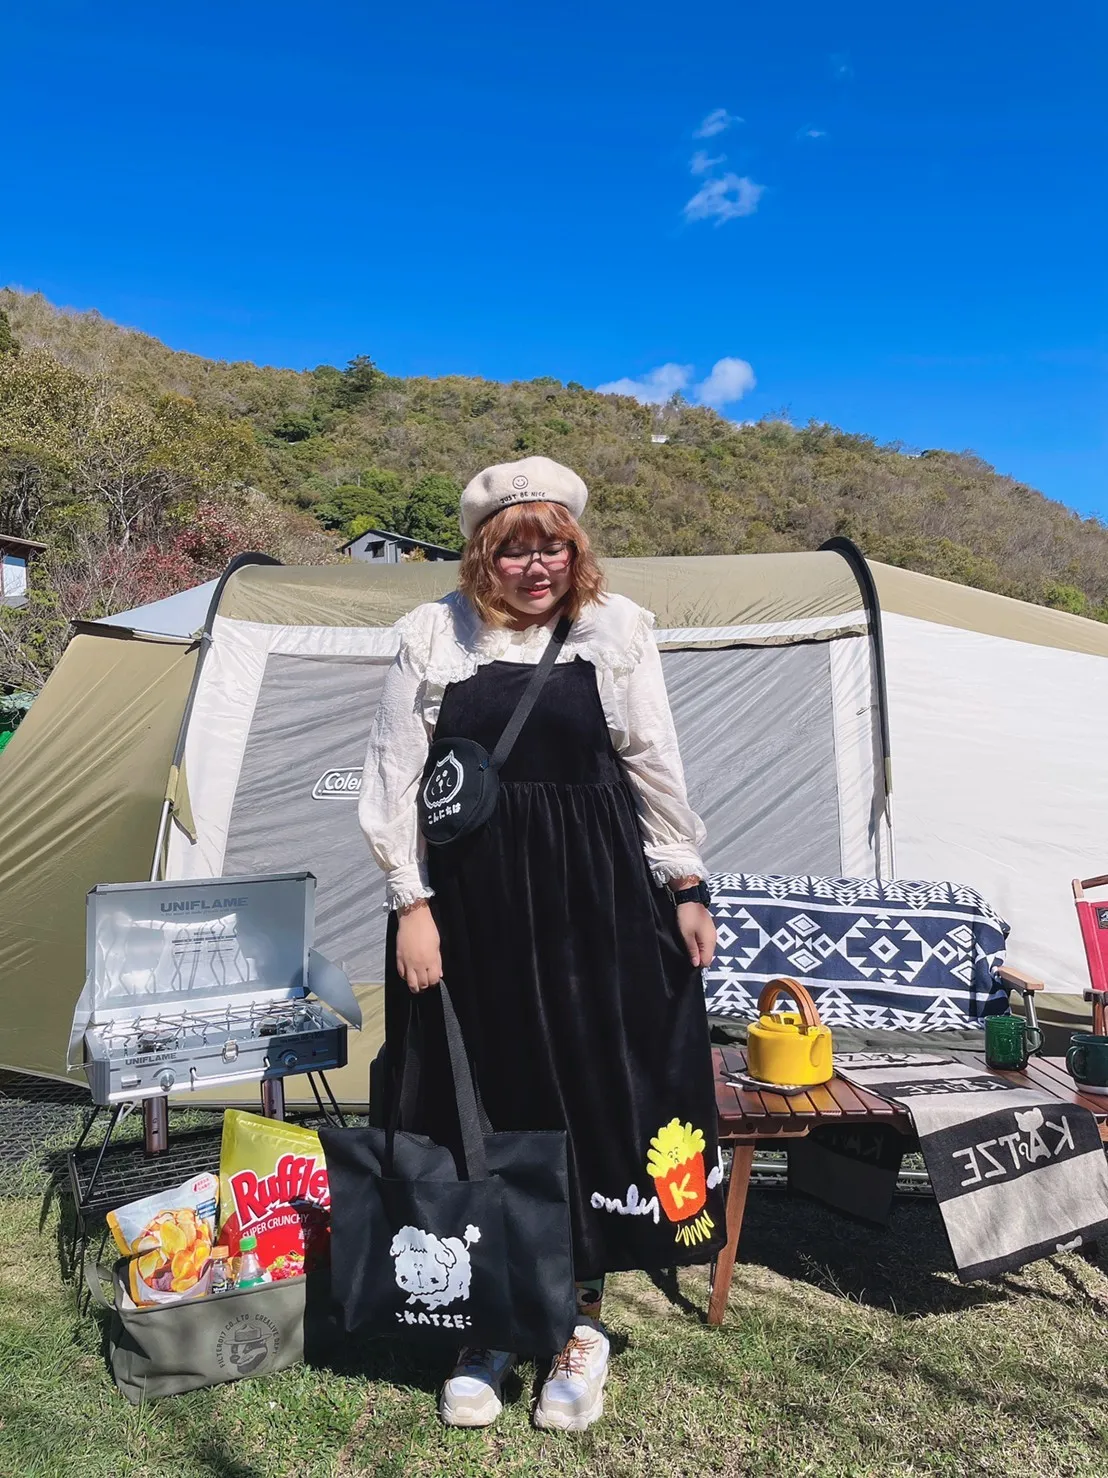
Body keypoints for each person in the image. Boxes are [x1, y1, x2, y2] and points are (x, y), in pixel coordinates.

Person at [360, 455, 724, 1432]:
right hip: (469, 906)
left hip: (592, 899)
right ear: (484, 553)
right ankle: (490, 1319)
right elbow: (395, 776)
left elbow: (651, 758)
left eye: (553, 547)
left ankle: (580, 1322)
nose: (536, 566)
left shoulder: (617, 627)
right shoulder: (432, 632)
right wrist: (411, 904)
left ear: (576, 549)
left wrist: (685, 883)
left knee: (590, 1095)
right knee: (478, 1098)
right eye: (514, 548)